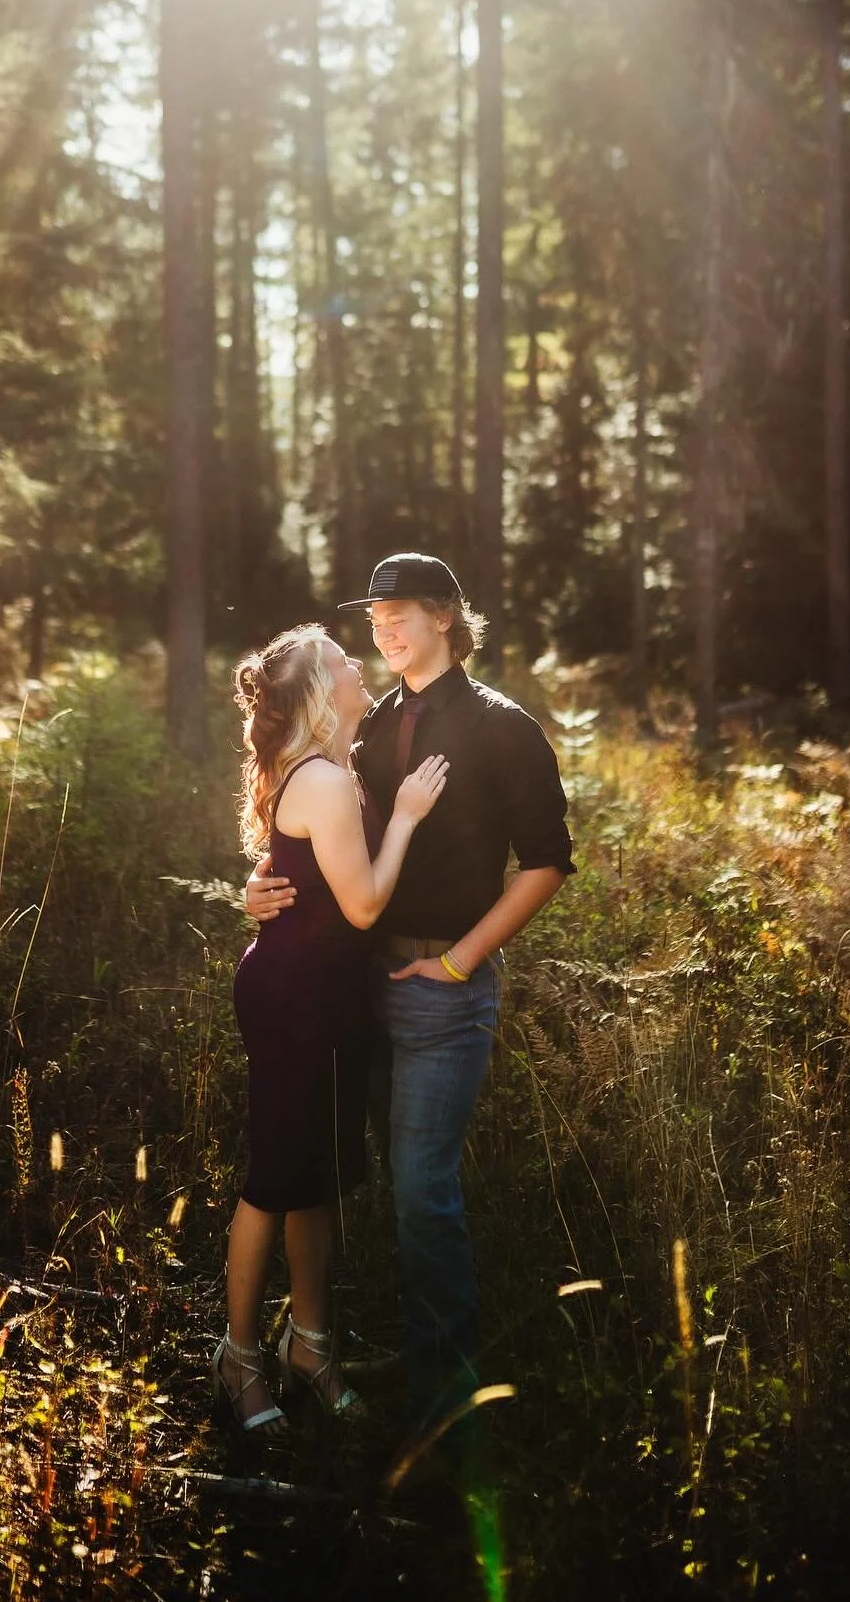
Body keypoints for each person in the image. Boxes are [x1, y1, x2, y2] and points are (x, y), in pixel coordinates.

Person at [247, 554, 574, 1429]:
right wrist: (261, 887)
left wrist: (461, 961)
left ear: (445, 617)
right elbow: (314, 826)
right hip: (354, 988)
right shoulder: (368, 721)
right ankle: (417, 1347)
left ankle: (448, 1395)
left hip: (442, 990)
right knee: (378, 1178)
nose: (384, 628)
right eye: (375, 616)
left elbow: (547, 863)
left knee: (423, 1189)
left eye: (401, 612)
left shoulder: (504, 727)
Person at [215, 622, 449, 1434]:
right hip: (294, 999)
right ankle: (239, 1358)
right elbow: (364, 904)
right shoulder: (323, 779)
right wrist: (408, 816)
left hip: (331, 996)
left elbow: (303, 877)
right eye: (344, 660)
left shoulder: (332, 765)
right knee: (276, 1177)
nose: (359, 664)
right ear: (322, 691)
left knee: (318, 1177)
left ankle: (310, 1345)